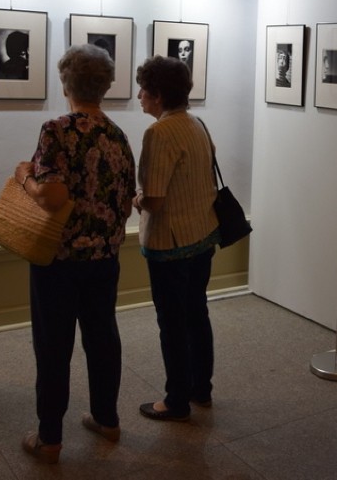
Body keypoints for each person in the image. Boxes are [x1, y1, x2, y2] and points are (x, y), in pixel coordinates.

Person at [16, 44, 136, 463]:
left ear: (66, 83)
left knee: (53, 345)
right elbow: (124, 203)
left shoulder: (57, 129)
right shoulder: (118, 136)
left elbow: (51, 196)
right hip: (105, 258)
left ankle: (49, 438)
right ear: (104, 85)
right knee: (103, 338)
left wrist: (24, 179)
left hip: (59, 261)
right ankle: (107, 418)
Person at [134, 55, 219, 422]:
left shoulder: (159, 133)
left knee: (171, 323)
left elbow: (153, 199)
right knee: (196, 314)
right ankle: (202, 388)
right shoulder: (197, 123)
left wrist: (134, 198)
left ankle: (176, 399)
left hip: (170, 244)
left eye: (143, 90)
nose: (138, 95)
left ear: (156, 95)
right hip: (202, 234)